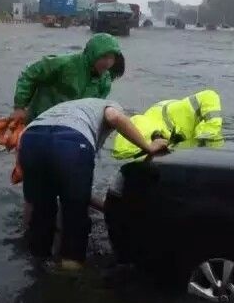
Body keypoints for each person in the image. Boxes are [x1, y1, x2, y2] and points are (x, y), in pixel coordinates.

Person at [19, 98, 169, 269]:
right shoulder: (111, 104)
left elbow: (67, 187)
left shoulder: (68, 108)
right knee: (75, 220)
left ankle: (36, 267)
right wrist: (149, 147)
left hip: (31, 138)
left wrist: (107, 207)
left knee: (41, 213)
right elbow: (114, 118)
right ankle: (68, 279)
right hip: (71, 141)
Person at [9, 33, 125, 125]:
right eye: (103, 57)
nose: (108, 63)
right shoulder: (64, 63)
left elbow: (94, 111)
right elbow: (29, 74)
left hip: (69, 127)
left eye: (111, 58)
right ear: (92, 54)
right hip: (39, 120)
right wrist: (19, 107)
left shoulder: (105, 81)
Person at [112, 89, 223, 160]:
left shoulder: (184, 111)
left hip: (170, 115)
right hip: (160, 125)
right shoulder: (140, 124)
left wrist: (205, 138)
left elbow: (209, 95)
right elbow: (121, 152)